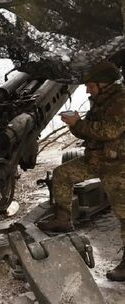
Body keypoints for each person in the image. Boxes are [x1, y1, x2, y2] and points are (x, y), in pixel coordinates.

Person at [37, 61, 125, 281]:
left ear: (104, 84)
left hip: (118, 166)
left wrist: (79, 124)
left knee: (124, 215)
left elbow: (109, 132)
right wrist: (75, 124)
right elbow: (90, 134)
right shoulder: (99, 101)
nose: (87, 90)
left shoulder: (121, 101)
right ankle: (63, 220)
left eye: (90, 85)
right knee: (62, 174)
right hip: (95, 160)